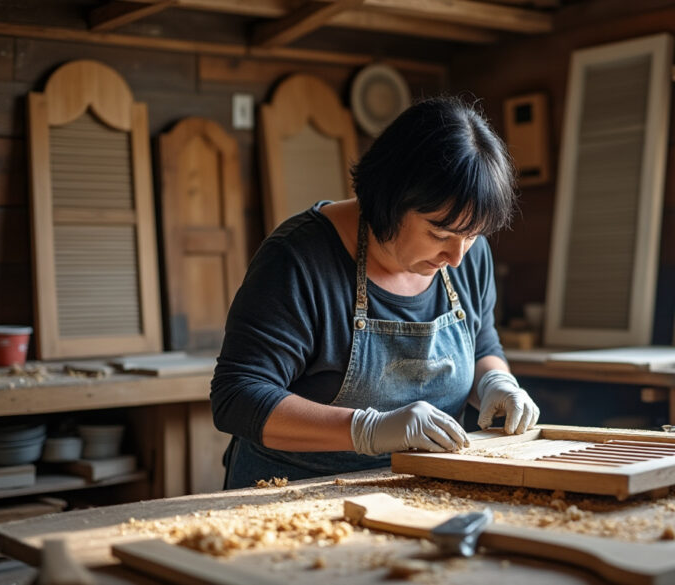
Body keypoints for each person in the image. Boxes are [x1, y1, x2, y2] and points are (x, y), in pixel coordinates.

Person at [211, 95, 541, 489]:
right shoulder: (297, 259)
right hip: (292, 493)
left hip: (421, 491)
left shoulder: (468, 255)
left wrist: (496, 383)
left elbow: (482, 343)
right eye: (439, 233)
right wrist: (367, 429)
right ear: (388, 199)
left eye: (472, 236)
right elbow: (237, 397)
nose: (456, 256)